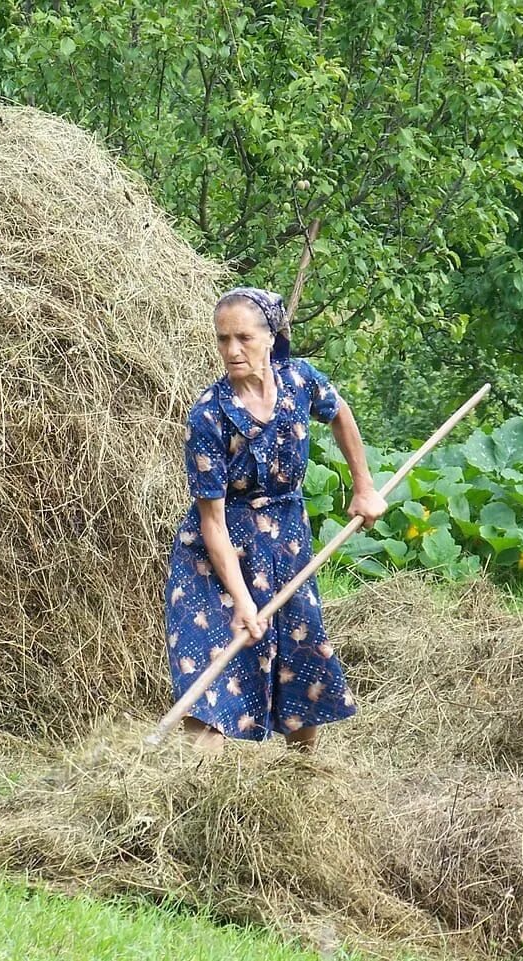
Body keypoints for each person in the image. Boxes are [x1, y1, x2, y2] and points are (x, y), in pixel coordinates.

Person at [164, 287, 386, 754]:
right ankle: (198, 797)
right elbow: (213, 523)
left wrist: (363, 486)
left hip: (285, 543)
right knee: (207, 674)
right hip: (215, 559)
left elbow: (339, 412)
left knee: (300, 657)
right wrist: (243, 601)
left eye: (243, 337)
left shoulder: (299, 381)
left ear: (272, 337)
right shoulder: (208, 415)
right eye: (223, 339)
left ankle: (304, 776)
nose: (231, 350)